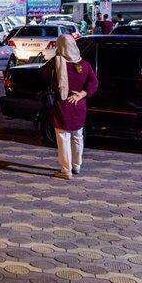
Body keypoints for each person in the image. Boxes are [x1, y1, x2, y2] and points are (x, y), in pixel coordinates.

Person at [42, 35, 99, 179]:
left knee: (63, 138)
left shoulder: (55, 62)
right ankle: (76, 165)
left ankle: (65, 170)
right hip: (78, 104)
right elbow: (94, 83)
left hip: (62, 104)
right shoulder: (84, 64)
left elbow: (45, 77)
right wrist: (81, 94)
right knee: (78, 136)